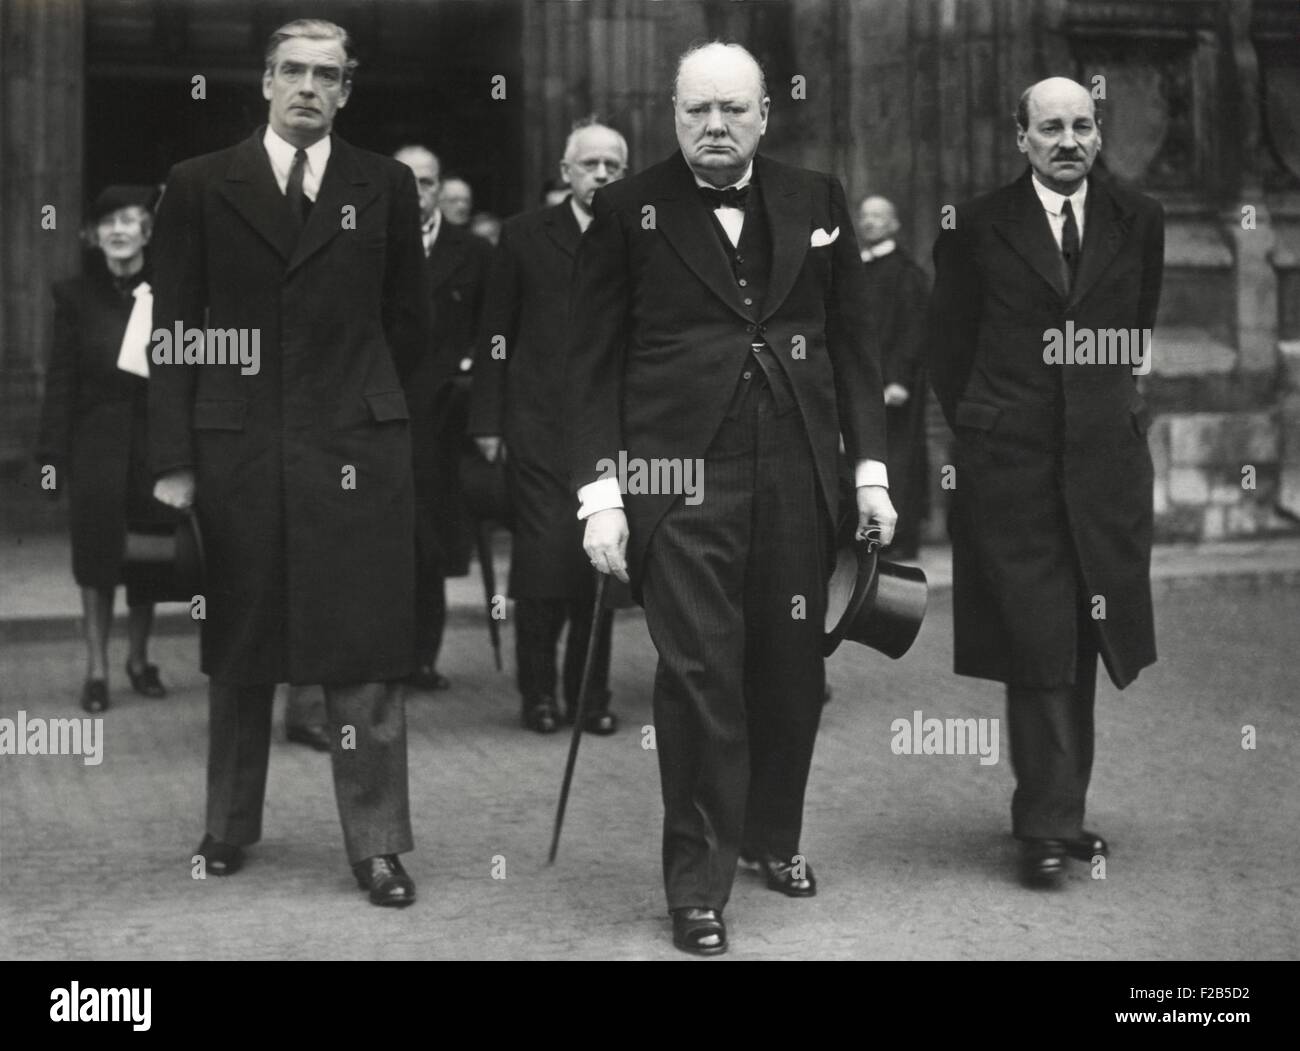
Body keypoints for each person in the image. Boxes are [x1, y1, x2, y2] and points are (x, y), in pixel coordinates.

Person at [568, 43, 894, 955]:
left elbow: (857, 346)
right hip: (677, 482)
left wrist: (869, 472)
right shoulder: (630, 209)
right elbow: (587, 363)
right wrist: (602, 492)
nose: (715, 126)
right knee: (701, 674)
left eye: (733, 110)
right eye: (697, 110)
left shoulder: (817, 197)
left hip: (797, 470)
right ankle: (698, 884)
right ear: (672, 113)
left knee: (793, 675)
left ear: (764, 115)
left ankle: (772, 836)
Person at [148, 18, 430, 907]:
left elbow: (412, 326)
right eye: (293, 71)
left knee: (367, 649)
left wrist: (383, 415)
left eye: (328, 74)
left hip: (355, 445)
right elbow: (174, 331)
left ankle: (379, 844)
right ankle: (228, 822)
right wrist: (173, 458)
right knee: (239, 644)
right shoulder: (198, 185)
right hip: (241, 448)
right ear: (265, 83)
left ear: (347, 90)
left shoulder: (381, 184)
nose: (309, 86)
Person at [927, 77, 1164, 889]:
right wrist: (990, 420)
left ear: (1098, 134)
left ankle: (1059, 807)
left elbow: (1136, 328)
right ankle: (1047, 826)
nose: (1069, 140)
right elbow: (947, 346)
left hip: (1104, 466)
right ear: (1020, 137)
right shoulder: (977, 225)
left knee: (1086, 634)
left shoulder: (1141, 219)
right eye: (1051, 127)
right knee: (1036, 640)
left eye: (1083, 126)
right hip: (1011, 467)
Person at [469, 118, 628, 737]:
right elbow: (495, 333)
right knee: (540, 566)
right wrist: (488, 420)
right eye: (589, 165)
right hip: (536, 425)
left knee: (601, 560)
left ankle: (590, 697)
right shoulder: (524, 235)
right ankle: (538, 694)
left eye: (613, 165)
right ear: (566, 173)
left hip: (611, 430)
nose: (602, 175)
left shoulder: (637, 235)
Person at [36, 185, 178, 713]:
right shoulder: (73, 297)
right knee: (96, 561)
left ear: (145, 230)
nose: (118, 231)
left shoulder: (171, 292)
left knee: (149, 560)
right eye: (107, 223)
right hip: (94, 448)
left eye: (128, 220)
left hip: (154, 447)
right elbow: (61, 381)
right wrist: (51, 459)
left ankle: (139, 660)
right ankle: (96, 670)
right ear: (94, 237)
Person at [394, 145, 491, 693]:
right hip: (380, 415)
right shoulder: (368, 245)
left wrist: (470, 380)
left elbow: (493, 331)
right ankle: (381, 654)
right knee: (382, 542)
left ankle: (422, 657)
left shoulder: (472, 253)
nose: (417, 193)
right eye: (407, 182)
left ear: (438, 188)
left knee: (429, 543)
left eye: (426, 182)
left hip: (440, 421)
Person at [855, 194, 930, 560]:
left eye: (878, 217)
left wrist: (899, 379)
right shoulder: (856, 269)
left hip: (893, 386)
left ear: (894, 224)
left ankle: (898, 539)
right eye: (865, 216)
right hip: (861, 382)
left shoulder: (906, 273)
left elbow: (914, 330)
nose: (870, 223)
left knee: (897, 458)